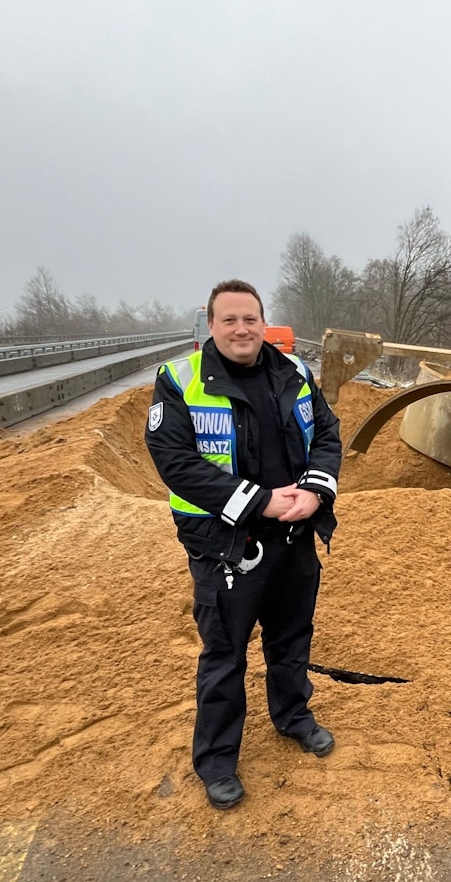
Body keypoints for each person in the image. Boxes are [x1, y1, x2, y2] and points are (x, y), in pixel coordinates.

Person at [145, 280, 343, 810]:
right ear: (211, 325)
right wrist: (261, 502)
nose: (241, 329)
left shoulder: (294, 372)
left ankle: (294, 718)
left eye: (250, 319)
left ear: (263, 322)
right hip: (227, 545)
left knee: (291, 637)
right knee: (225, 655)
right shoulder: (179, 382)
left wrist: (316, 492)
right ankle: (216, 761)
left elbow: (327, 432)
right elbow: (176, 463)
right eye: (229, 320)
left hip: (295, 536)